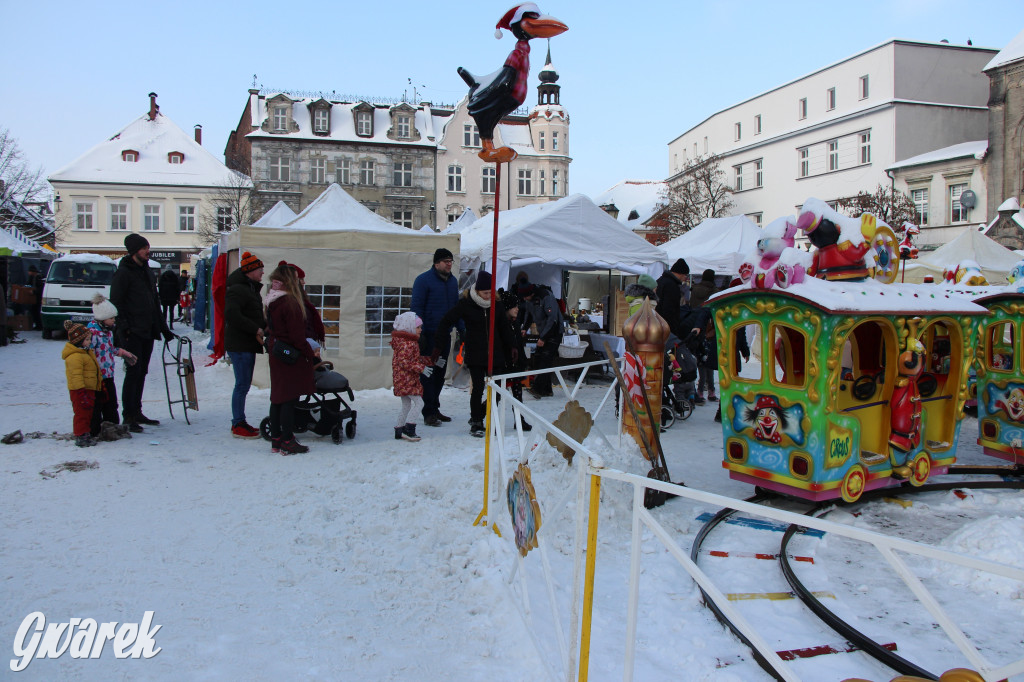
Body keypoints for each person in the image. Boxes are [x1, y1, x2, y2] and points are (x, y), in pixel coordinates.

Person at [434, 271, 514, 437]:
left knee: (498, 391)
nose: (488, 296)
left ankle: (480, 414)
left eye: (490, 293)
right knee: (477, 389)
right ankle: (476, 422)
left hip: (495, 353)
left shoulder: (497, 305)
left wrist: (512, 346)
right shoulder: (466, 304)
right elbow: (446, 321)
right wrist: (439, 343)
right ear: (477, 291)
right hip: (476, 353)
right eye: (485, 293)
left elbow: (504, 328)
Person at [110, 233, 175, 430]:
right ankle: (128, 416)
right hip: (133, 332)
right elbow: (116, 304)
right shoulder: (123, 273)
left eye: (148, 247)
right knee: (133, 372)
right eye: (144, 248)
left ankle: (137, 411)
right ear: (133, 251)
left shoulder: (147, 272)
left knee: (142, 372)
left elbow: (154, 302)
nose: (148, 251)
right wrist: (125, 330)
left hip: (147, 330)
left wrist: (164, 329)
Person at [264, 262, 318, 455]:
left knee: (277, 397)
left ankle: (276, 439)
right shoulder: (290, 302)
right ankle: (287, 439)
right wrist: (309, 352)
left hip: (276, 351)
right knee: (288, 398)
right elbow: (296, 336)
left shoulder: (272, 299)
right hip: (289, 355)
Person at [411, 248, 460, 427]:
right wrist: (420, 331)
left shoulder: (453, 281)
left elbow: (455, 308)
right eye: (446, 261)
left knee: (440, 373)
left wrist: (461, 327)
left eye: (451, 261)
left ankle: (435, 406)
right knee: (427, 374)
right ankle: (428, 411)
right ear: (436, 263)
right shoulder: (423, 280)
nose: (449, 264)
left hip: (444, 337)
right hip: (428, 336)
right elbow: (416, 306)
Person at [223, 251, 266, 439]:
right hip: (240, 344)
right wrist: (255, 329)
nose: (262, 273)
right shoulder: (238, 289)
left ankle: (240, 422)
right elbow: (232, 315)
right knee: (241, 385)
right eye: (260, 270)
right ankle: (238, 423)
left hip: (246, 343)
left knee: (244, 384)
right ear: (251, 270)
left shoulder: (249, 288)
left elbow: (253, 314)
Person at [87, 293, 137, 435]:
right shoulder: (93, 333)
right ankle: (94, 430)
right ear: (102, 318)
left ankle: (112, 426)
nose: (114, 321)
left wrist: (122, 353)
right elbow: (88, 352)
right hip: (96, 377)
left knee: (111, 402)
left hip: (108, 374)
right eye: (111, 318)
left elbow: (109, 349)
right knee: (96, 404)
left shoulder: (108, 332)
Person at [519, 282, 563, 399]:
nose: (524, 299)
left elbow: (552, 319)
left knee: (545, 359)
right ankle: (547, 389)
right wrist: (524, 328)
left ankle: (538, 389)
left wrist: (544, 338)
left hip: (554, 331)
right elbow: (529, 314)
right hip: (543, 331)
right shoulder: (529, 300)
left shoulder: (546, 297)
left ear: (532, 293)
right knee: (538, 357)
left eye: (526, 296)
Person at [390, 311, 430, 442]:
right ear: (409, 327)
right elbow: (404, 362)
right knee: (419, 403)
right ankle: (409, 429)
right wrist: (421, 368)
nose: (420, 330)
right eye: (418, 327)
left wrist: (430, 361)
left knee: (406, 405)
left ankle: (399, 429)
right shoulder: (408, 343)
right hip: (406, 380)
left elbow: (414, 359)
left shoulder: (406, 342)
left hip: (402, 379)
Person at [62, 321, 101, 448]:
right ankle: (80, 435)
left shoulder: (86, 353)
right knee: (81, 414)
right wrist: (81, 392)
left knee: (87, 414)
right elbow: (76, 376)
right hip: (80, 390)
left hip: (89, 389)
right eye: (87, 339)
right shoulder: (75, 357)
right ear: (79, 340)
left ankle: (85, 434)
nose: (90, 342)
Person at [499, 289, 532, 432]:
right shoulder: (501, 324)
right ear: (507, 307)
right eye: (514, 306)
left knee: (518, 395)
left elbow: (519, 345)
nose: (517, 309)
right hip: (504, 366)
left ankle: (519, 420)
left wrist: (523, 362)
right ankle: (484, 416)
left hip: (516, 365)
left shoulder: (516, 323)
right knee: (497, 395)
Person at [689, 269, 719, 403]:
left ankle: (699, 390)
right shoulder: (714, 292)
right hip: (709, 327)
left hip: (695, 325)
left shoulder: (694, 289)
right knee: (709, 362)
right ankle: (710, 390)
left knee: (698, 361)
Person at [26, 265, 43, 331]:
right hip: (35, 298)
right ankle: (37, 325)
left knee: (36, 311)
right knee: (34, 311)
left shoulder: (38, 277)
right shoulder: (32, 277)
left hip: (37, 297)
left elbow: (40, 288)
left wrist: (34, 292)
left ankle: (39, 325)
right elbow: (28, 284)